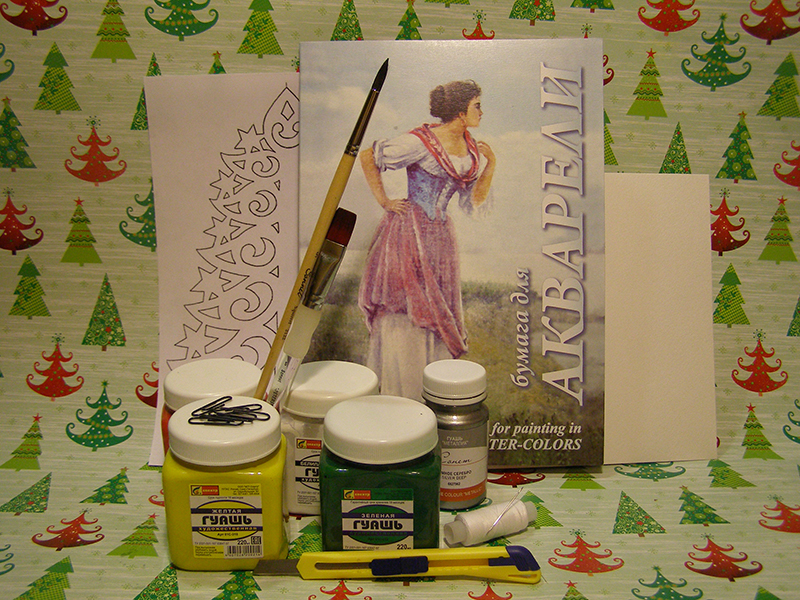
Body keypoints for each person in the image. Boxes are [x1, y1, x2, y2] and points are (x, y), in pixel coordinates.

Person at [357, 79, 496, 400]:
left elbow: (473, 203)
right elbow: (367, 157)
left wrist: (491, 167)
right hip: (409, 232)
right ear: (460, 112)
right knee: (406, 308)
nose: (481, 112)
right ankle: (401, 389)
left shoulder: (472, 149)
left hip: (440, 237)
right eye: (477, 105)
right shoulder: (420, 142)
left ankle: (432, 389)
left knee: (437, 310)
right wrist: (385, 201)